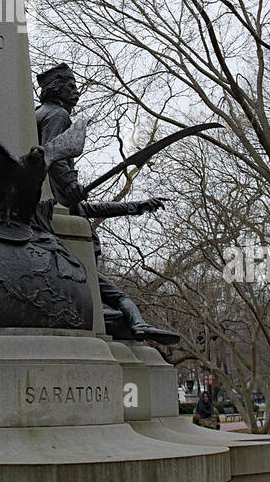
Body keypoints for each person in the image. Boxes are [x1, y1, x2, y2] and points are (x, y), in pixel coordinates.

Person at [35, 63, 177, 344]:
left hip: (52, 210)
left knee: (111, 306)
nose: (76, 91)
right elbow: (54, 153)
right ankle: (136, 325)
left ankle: (132, 325)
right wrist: (71, 183)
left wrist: (135, 206)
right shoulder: (57, 114)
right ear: (56, 88)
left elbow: (89, 208)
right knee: (116, 297)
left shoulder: (36, 114)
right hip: (60, 230)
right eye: (71, 86)